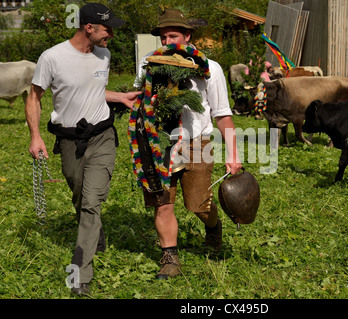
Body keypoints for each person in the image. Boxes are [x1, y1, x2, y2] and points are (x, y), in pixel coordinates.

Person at [25, 3, 140, 296]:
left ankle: (80, 274)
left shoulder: (104, 55)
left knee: (91, 201)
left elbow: (94, 90)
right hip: (68, 140)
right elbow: (34, 97)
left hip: (102, 135)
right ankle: (93, 229)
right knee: (78, 191)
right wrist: (35, 136)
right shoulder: (52, 57)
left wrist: (120, 97)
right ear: (89, 28)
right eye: (107, 29)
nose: (111, 35)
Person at [134, 8, 242, 280]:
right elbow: (138, 98)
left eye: (173, 36)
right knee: (163, 203)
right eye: (163, 37)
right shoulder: (149, 64)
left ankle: (214, 227)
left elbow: (222, 114)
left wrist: (233, 153)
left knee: (198, 205)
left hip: (197, 143)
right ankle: (170, 258)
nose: (167, 42)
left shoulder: (209, 68)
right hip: (159, 145)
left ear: (187, 36)